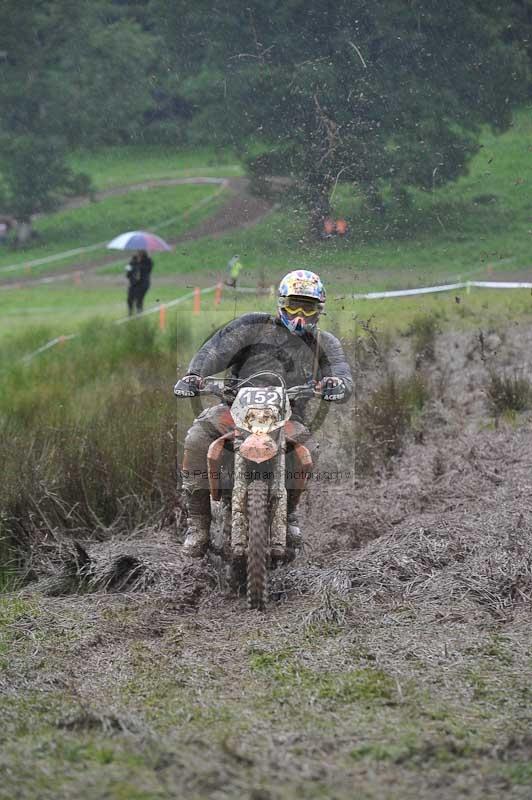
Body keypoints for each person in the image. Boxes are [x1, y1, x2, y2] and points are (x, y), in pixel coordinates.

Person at [174, 269, 353, 557]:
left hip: (288, 416)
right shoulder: (252, 328)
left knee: (309, 449)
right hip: (234, 409)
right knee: (197, 438)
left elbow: (342, 374)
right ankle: (198, 525)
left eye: (307, 308)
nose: (299, 316)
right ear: (281, 304)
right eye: (293, 306)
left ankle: (290, 512)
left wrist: (336, 384)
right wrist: (195, 375)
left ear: (319, 310)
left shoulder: (325, 343)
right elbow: (215, 351)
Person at [125, 249, 153, 315]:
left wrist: (139, 264)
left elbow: (148, 270)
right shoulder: (133, 260)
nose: (139, 252)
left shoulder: (148, 261)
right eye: (138, 251)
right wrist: (129, 269)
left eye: (141, 251)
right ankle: (130, 314)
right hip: (133, 283)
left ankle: (139, 314)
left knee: (139, 300)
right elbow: (128, 274)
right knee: (129, 299)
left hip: (143, 284)